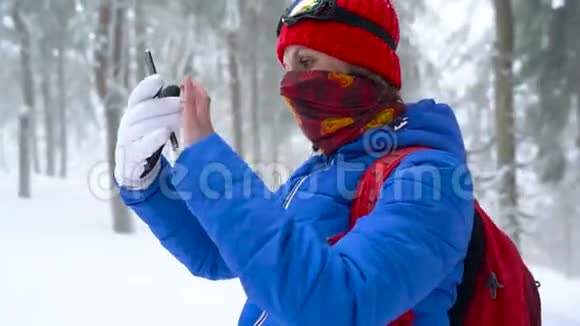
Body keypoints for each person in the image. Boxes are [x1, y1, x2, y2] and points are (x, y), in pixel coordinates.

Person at [114, 0, 474, 325]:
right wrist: (148, 181)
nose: (292, 83)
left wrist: (206, 159)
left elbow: (335, 303)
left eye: (306, 62)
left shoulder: (432, 178)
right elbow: (221, 251)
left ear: (364, 63)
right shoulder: (321, 171)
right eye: (287, 68)